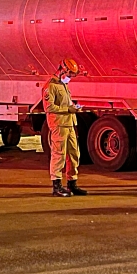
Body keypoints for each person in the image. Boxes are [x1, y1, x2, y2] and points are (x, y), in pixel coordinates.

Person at [43, 58, 87, 197]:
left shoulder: (63, 84)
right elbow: (49, 107)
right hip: (59, 124)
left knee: (74, 154)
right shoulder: (50, 86)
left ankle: (72, 183)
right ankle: (56, 186)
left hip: (69, 124)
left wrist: (74, 109)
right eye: (70, 74)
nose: (70, 77)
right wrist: (68, 109)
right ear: (63, 70)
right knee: (59, 154)